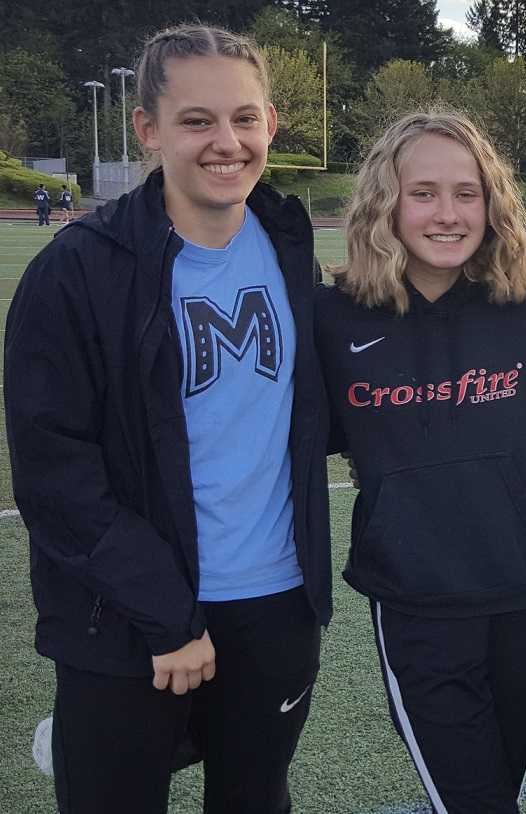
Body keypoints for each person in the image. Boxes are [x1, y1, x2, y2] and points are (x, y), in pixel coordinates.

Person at [5, 23, 331, 814]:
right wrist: (167, 615)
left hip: (276, 605)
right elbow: (56, 475)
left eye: (244, 118)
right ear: (147, 130)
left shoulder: (289, 248)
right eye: (196, 121)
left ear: (270, 124)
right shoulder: (77, 271)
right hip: (127, 619)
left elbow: (334, 407)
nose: (226, 142)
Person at [316, 110, 526, 813]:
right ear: (385, 201)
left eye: (466, 193)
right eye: (423, 193)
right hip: (420, 607)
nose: (447, 214)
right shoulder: (333, 316)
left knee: (493, 790)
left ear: (492, 203)